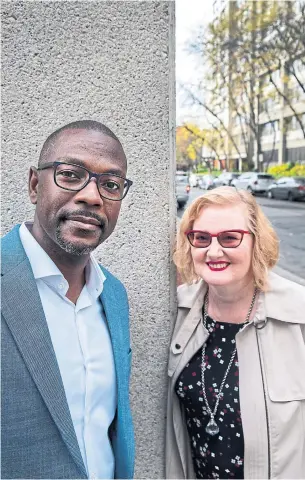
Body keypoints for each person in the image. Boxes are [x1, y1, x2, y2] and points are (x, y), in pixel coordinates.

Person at [1, 120, 135, 479]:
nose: (93, 196)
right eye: (71, 174)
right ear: (34, 184)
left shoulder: (114, 297)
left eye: (110, 184)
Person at [166, 186, 305, 479]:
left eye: (230, 238)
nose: (214, 251)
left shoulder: (298, 316)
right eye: (201, 238)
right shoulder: (178, 311)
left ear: (257, 241)